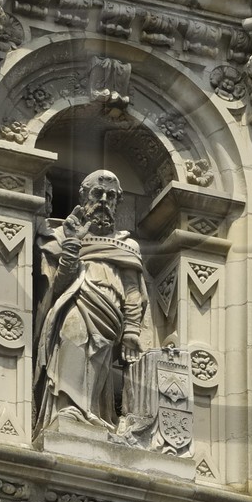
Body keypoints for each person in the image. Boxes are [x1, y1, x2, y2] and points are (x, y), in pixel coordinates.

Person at [34, 170, 147, 432]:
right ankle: (68, 408)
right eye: (97, 194)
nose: (104, 201)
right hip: (77, 300)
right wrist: (72, 244)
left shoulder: (127, 244)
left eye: (111, 196)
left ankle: (90, 412)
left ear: (118, 202)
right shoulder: (63, 235)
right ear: (84, 196)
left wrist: (131, 330)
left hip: (111, 316)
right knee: (73, 338)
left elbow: (133, 292)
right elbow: (57, 285)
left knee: (99, 362)